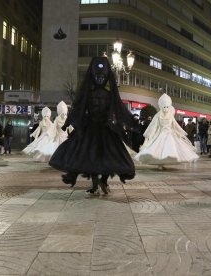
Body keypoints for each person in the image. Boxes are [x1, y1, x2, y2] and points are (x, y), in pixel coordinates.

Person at [49, 56, 135, 195]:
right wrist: (68, 124)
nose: (100, 79)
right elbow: (79, 109)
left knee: (97, 157)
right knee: (99, 157)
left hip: (97, 129)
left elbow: (79, 109)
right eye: (97, 76)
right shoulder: (102, 94)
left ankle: (100, 183)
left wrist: (131, 123)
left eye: (102, 77)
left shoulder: (92, 94)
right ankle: (98, 183)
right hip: (99, 129)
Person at [135, 94, 199, 169]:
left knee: (169, 148)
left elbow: (175, 125)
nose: (165, 109)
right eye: (164, 107)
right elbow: (153, 125)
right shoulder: (158, 115)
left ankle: (164, 162)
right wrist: (149, 134)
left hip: (170, 134)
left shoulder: (171, 115)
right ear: (161, 107)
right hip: (160, 134)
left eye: (167, 107)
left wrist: (181, 133)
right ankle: (160, 164)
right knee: (159, 149)